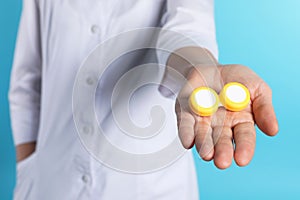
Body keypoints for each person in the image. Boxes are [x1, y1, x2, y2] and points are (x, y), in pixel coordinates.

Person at [9, 0, 278, 199]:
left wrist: (198, 69)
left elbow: (188, 30)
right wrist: (27, 170)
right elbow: (27, 82)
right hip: (51, 182)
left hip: (148, 187)